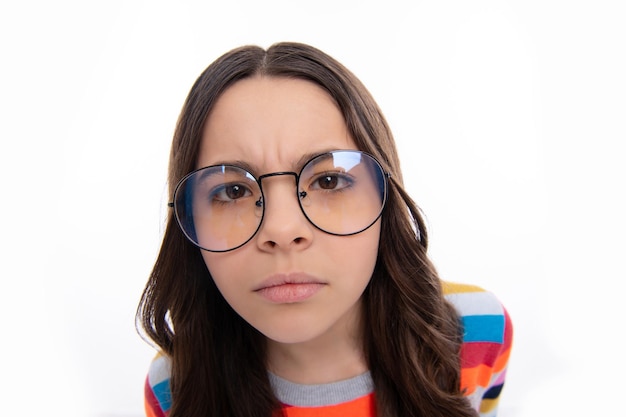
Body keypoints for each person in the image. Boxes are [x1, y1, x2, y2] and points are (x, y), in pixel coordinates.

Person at [136, 41, 513, 417]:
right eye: (233, 191)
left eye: (329, 181)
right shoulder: (174, 388)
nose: (282, 230)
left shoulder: (477, 332)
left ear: (387, 200)